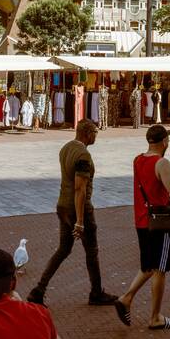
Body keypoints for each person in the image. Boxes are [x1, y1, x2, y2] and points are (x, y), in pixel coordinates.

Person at [115, 124, 170, 330]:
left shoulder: (138, 160)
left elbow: (151, 174)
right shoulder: (162, 162)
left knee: (148, 265)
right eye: (168, 139)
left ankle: (126, 299)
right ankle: (155, 317)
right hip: (159, 221)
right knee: (160, 268)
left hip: (141, 220)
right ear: (164, 142)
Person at [27, 118, 119, 308]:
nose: (96, 136)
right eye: (95, 132)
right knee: (91, 251)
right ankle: (96, 293)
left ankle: (39, 289)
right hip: (80, 209)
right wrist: (80, 221)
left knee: (63, 249)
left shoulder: (65, 148)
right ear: (87, 133)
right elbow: (80, 189)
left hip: (62, 205)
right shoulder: (83, 156)